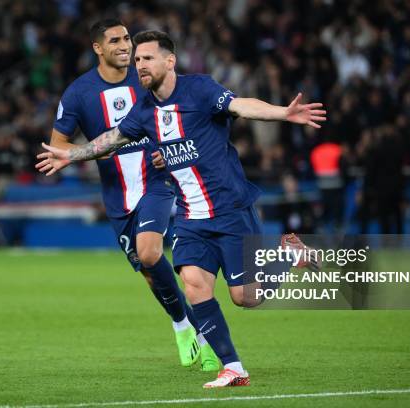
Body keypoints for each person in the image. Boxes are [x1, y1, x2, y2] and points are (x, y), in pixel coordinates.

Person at [36, 30, 326, 387]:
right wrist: (72, 154)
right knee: (194, 285)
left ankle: (290, 257)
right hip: (190, 215)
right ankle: (233, 366)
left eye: (146, 59)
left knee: (244, 297)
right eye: (137, 60)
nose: (139, 65)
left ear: (169, 61)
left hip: (230, 208)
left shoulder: (200, 89)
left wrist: (283, 112)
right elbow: (110, 139)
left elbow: (241, 105)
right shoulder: (144, 111)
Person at [43, 20, 217, 371]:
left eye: (127, 39)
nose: (125, 46)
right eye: (116, 40)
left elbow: (177, 115)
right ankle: (183, 325)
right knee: (148, 270)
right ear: (98, 48)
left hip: (156, 180)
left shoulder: (147, 78)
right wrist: (90, 150)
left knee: (150, 252)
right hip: (117, 195)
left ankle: (208, 334)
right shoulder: (79, 93)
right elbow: (58, 144)